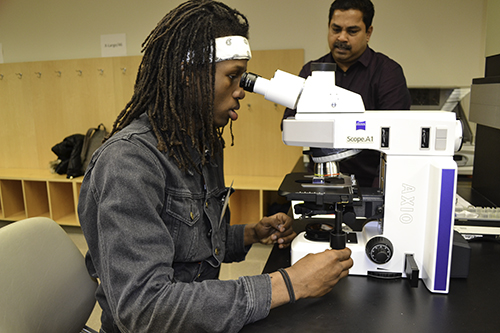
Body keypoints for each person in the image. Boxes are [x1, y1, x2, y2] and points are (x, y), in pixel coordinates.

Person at [78, 1, 353, 332]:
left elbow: (188, 244)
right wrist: (288, 284)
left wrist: (248, 234)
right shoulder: (128, 164)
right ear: (188, 76)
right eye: (233, 77)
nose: (241, 91)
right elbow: (145, 309)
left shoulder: (201, 145)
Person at [283, 0, 412, 187]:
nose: (342, 38)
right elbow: (289, 124)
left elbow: (397, 137)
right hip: (322, 180)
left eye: (352, 31)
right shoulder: (311, 72)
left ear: (368, 33)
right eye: (336, 29)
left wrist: (379, 194)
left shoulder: (387, 73)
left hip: (370, 183)